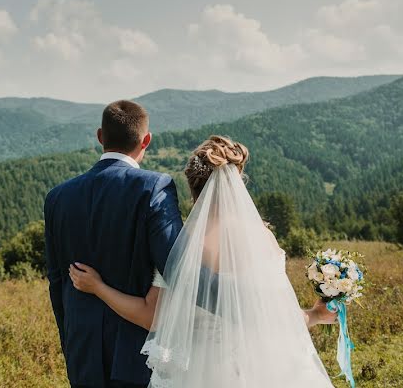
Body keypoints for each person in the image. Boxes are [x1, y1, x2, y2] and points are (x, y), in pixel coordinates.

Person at [69, 135, 337, 388]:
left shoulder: (183, 246)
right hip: (266, 369)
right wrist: (314, 315)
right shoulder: (264, 239)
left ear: (192, 186)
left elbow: (151, 317)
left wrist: (98, 288)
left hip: (202, 372)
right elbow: (270, 317)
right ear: (237, 181)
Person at [44, 100, 183, 388]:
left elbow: (57, 283)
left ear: (100, 137)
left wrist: (71, 343)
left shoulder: (58, 197)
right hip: (133, 356)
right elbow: (177, 267)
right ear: (146, 140)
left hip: (81, 352)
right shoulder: (154, 188)